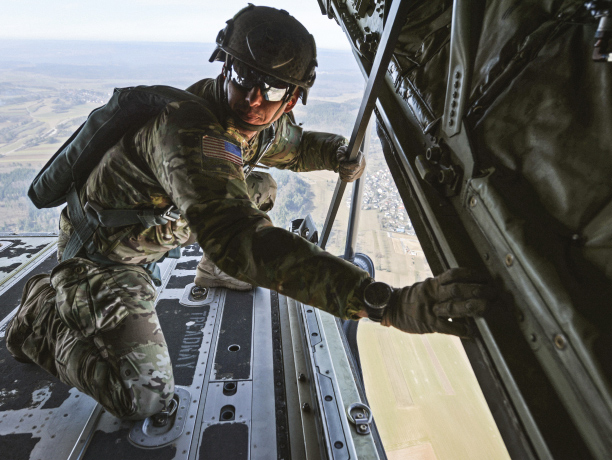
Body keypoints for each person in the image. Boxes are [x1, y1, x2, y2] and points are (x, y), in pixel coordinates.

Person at [6, 5, 492, 421]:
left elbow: (293, 147)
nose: (256, 99)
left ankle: (213, 272)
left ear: (294, 97)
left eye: (275, 91)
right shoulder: (192, 132)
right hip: (104, 259)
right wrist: (386, 303)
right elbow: (240, 239)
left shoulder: (250, 118)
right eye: (243, 78)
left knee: (259, 185)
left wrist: (337, 152)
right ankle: (42, 317)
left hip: (155, 227)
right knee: (144, 397)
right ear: (224, 69)